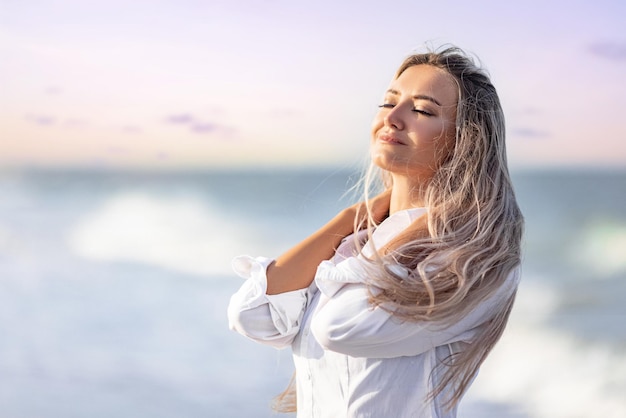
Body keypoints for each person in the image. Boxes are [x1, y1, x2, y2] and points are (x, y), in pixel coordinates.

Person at [227, 45, 523, 417]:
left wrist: (415, 224)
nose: (394, 118)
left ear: (465, 141)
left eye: (421, 110)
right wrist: (347, 219)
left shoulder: (473, 256)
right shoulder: (356, 242)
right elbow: (252, 315)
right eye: (388, 103)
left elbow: (340, 327)